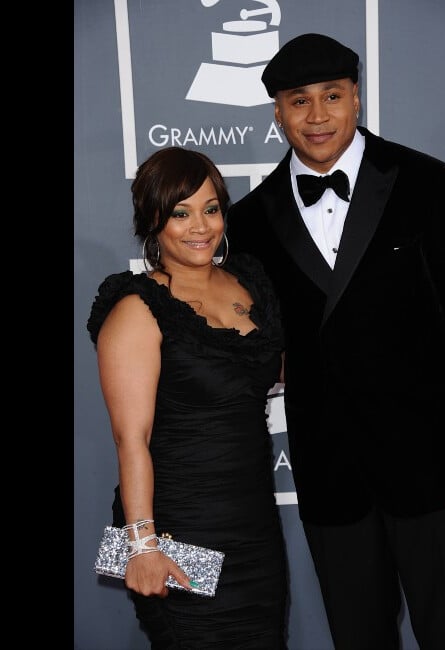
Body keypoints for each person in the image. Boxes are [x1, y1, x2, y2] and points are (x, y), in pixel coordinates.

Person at [227, 33, 445, 650]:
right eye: (299, 101)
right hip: (333, 478)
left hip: (437, 472)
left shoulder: (428, 184)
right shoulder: (248, 221)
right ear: (278, 112)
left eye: (332, 96)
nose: (318, 116)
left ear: (357, 99)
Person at [87, 146, 288, 649]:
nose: (201, 226)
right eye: (181, 213)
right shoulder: (137, 309)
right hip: (179, 534)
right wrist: (142, 545)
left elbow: (265, 369)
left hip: (254, 532)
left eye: (211, 208)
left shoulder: (249, 283)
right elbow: (131, 440)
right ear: (152, 220)